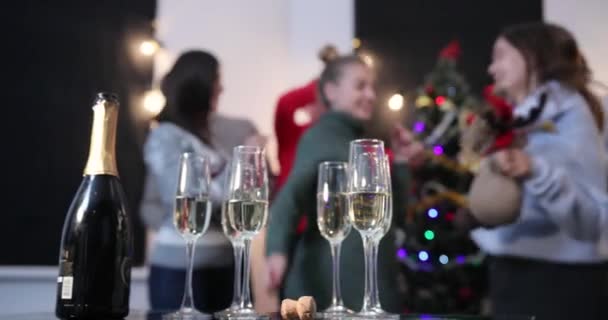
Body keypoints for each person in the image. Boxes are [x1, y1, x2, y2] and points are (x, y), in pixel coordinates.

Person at [469, 22, 608, 320]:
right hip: (519, 274)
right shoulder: (523, 120)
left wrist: (536, 171)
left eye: (501, 56)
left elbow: (594, 221)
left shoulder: (569, 118)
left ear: (532, 56)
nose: (492, 68)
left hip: (558, 284)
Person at [264, 54, 419, 312]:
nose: (370, 95)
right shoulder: (320, 137)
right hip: (335, 286)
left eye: (372, 87)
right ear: (331, 91)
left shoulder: (365, 142)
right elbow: (291, 194)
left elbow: (396, 214)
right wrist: (276, 250)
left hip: (372, 285)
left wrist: (401, 162)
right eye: (360, 86)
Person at [140, 50, 264, 312]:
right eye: (217, 79)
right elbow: (188, 197)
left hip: (226, 267)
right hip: (180, 271)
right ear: (199, 85)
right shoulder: (164, 137)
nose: (222, 86)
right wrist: (242, 160)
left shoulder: (211, 138)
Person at [250, 45, 338, 313]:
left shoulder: (334, 138)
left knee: (321, 298)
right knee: (291, 301)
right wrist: (326, 80)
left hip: (322, 230)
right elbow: (286, 102)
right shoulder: (293, 133)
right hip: (289, 231)